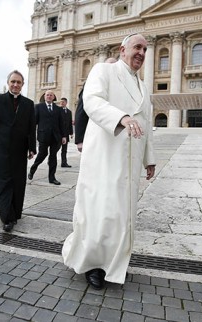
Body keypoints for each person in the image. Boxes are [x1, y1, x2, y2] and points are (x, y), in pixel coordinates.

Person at [61, 33, 156, 290]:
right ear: (122, 49)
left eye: (145, 49)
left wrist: (150, 159)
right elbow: (92, 101)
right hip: (104, 154)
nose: (141, 53)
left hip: (130, 160)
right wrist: (122, 118)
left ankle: (114, 260)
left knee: (121, 212)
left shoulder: (143, 86)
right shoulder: (103, 70)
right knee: (99, 209)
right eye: (137, 47)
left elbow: (145, 123)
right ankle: (92, 263)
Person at [0, 70, 36, 232]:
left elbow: (31, 128)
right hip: (2, 148)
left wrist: (32, 148)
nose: (15, 85)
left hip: (20, 149)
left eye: (19, 82)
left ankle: (15, 212)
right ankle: (7, 216)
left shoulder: (28, 103)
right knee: (4, 181)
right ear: (8, 83)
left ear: (22, 85)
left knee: (18, 182)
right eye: (13, 81)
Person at [75, 57, 117, 152]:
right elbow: (81, 109)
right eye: (109, 65)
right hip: (96, 132)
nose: (112, 68)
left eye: (115, 66)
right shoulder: (93, 82)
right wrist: (80, 139)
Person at [28, 90, 66, 185]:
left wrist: (64, 136)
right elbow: (34, 122)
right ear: (45, 97)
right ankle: (32, 170)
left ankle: (52, 178)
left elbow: (62, 124)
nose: (49, 96)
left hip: (55, 137)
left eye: (51, 95)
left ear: (53, 97)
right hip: (43, 136)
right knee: (42, 155)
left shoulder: (58, 109)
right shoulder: (38, 107)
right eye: (47, 95)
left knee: (53, 157)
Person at [60, 97, 73, 167]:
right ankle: (50, 161)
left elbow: (70, 123)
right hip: (59, 134)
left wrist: (71, 133)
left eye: (63, 102)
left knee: (64, 149)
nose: (61, 103)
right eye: (60, 102)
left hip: (66, 133)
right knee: (55, 149)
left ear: (66, 103)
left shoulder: (69, 112)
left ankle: (64, 163)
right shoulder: (57, 110)